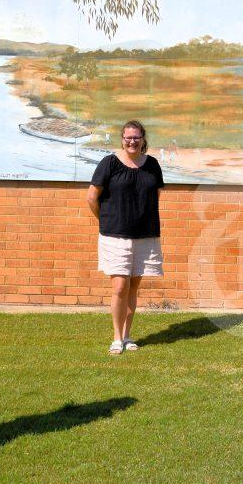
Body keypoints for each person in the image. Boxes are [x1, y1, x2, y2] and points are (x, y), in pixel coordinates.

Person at [87, 120, 164, 355]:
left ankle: (128, 336)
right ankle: (116, 338)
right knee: (120, 286)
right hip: (114, 235)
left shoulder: (152, 165)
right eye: (128, 137)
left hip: (145, 235)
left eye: (136, 137)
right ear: (122, 139)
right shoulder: (109, 163)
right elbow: (92, 197)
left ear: (143, 139)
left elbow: (155, 195)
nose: (132, 141)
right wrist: (107, 220)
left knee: (133, 288)